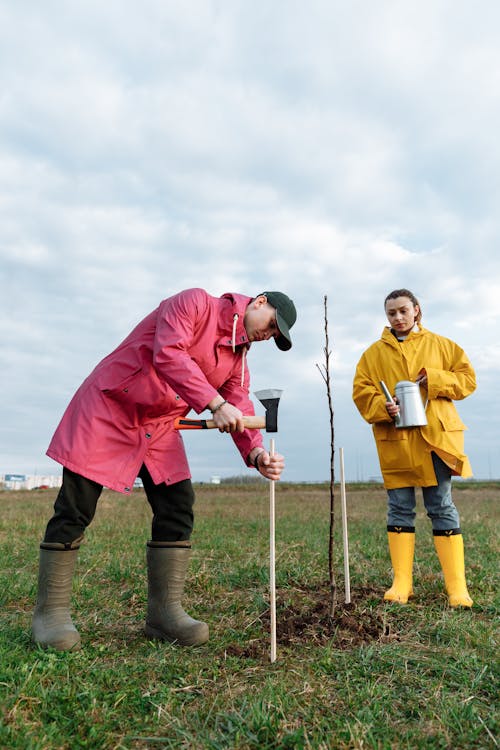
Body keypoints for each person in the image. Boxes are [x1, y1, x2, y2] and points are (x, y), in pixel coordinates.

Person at [32, 288, 297, 651]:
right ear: (260, 301)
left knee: (177, 506)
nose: (268, 335)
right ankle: (51, 615)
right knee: (75, 507)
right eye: (272, 326)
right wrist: (213, 402)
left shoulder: (238, 358)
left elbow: (239, 403)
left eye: (275, 337)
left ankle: (164, 614)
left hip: (158, 427)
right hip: (109, 410)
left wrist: (255, 454)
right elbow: (169, 354)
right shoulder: (195, 303)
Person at [352, 288, 475, 608]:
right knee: (399, 507)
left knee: (441, 506)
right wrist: (383, 407)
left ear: (417, 310)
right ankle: (402, 583)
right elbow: (361, 392)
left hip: (435, 438)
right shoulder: (373, 354)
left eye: (403, 311)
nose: (398, 317)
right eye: (391, 313)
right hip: (397, 441)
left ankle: (457, 588)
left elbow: (467, 380)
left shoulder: (442, 345)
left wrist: (432, 379)